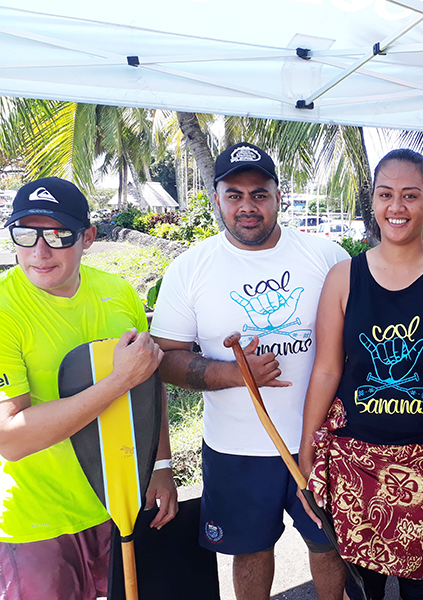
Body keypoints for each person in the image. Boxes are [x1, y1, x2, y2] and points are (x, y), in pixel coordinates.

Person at [150, 143, 349, 600]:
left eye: (259, 194)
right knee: (250, 551)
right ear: (216, 198)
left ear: (279, 195)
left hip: (319, 440)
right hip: (235, 447)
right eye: (234, 194)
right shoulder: (190, 268)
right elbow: (166, 360)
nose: (247, 206)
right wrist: (238, 375)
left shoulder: (327, 256)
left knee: (326, 546)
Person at [299, 149, 423, 600]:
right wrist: (306, 448)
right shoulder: (345, 277)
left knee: (421, 585)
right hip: (355, 459)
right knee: (366, 583)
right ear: (373, 200)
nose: (396, 208)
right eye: (386, 195)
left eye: (410, 195)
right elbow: (327, 368)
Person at [0, 177, 176, 599]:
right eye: (25, 234)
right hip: (39, 519)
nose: (40, 252)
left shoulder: (118, 294)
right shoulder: (6, 311)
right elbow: (11, 437)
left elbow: (149, 389)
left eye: (59, 235)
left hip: (118, 500)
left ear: (89, 237)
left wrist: (162, 466)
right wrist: (118, 382)